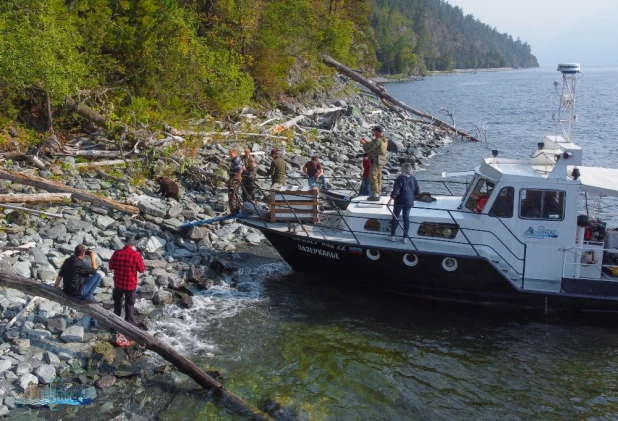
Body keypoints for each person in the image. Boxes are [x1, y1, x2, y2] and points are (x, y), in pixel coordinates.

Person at [109, 237, 145, 324]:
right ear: (133, 244)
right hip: (130, 285)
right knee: (129, 306)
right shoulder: (136, 255)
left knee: (117, 303)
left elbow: (111, 266)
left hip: (118, 283)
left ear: (124, 243)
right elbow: (141, 269)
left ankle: (115, 324)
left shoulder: (117, 253)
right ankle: (128, 325)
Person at [386, 162, 420, 244]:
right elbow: (417, 191)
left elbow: (396, 191)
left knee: (395, 218)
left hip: (399, 201)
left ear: (403, 169)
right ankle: (405, 237)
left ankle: (392, 236)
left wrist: (391, 200)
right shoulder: (414, 179)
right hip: (409, 201)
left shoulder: (400, 178)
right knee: (406, 218)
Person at [360, 126, 388, 201]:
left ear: (378, 132)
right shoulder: (384, 140)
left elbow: (368, 149)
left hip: (376, 159)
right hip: (382, 158)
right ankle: (378, 193)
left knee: (373, 176)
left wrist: (363, 144)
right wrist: (367, 142)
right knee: (378, 175)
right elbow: (374, 145)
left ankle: (375, 195)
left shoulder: (378, 140)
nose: (374, 133)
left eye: (375, 132)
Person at [228, 148, 243, 215]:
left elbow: (240, 170)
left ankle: (234, 211)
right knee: (235, 194)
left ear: (235, 153)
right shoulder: (235, 160)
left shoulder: (236, 160)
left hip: (235, 178)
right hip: (235, 178)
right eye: (229, 154)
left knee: (232, 194)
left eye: (231, 154)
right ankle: (236, 209)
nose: (230, 155)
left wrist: (234, 179)